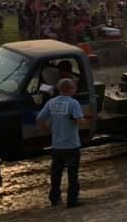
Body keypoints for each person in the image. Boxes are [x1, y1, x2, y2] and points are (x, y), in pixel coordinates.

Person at [37, 77, 89, 207]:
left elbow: (39, 119)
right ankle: (72, 200)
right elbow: (80, 122)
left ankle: (54, 198)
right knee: (72, 174)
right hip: (71, 145)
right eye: (74, 88)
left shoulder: (51, 102)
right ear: (71, 89)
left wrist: (50, 130)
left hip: (57, 145)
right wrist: (83, 119)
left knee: (56, 173)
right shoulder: (73, 103)